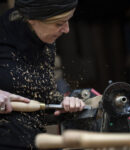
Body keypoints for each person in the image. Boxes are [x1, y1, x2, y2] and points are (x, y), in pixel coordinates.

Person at [0, 0, 85, 149]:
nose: (67, 30)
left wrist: (63, 104)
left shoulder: (45, 41)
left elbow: (41, 97)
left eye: (67, 21)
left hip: (33, 142)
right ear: (32, 19)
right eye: (59, 24)